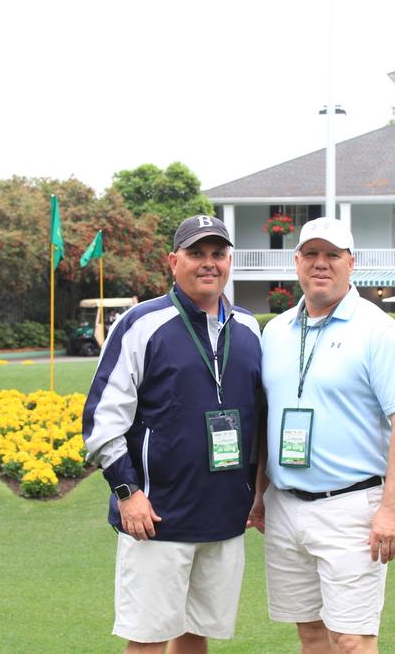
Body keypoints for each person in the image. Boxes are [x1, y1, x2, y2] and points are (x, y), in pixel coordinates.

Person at [82, 214, 263, 654]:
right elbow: (102, 418)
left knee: (195, 633)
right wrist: (128, 493)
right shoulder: (141, 324)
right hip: (156, 516)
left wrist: (255, 495)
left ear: (229, 261)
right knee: (147, 639)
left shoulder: (250, 328)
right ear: (173, 261)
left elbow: (258, 419)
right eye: (196, 253)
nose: (208, 264)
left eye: (217, 254)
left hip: (223, 516)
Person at [250, 216, 395, 654]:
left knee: (351, 640)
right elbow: (267, 419)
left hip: (351, 508)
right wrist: (258, 495)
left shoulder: (381, 333)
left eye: (332, 254)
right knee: (310, 634)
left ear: (352, 262)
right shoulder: (275, 332)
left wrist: (393, 510)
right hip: (285, 505)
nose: (321, 264)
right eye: (311, 254)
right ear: (296, 263)